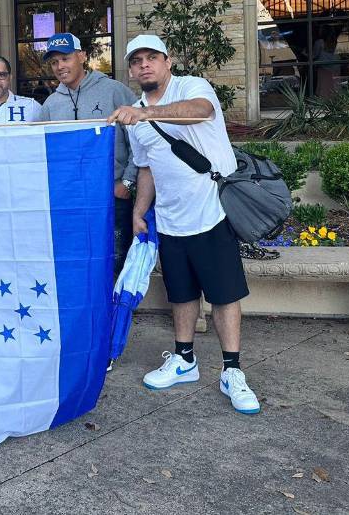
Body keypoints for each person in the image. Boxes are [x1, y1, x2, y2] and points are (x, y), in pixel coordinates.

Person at [107, 34, 258, 414]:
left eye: (151, 57)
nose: (144, 64)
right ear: (131, 69)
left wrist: (145, 114)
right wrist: (140, 211)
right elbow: (146, 167)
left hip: (211, 213)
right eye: (137, 60)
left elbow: (202, 110)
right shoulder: (135, 116)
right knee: (182, 295)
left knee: (224, 295)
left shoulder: (190, 86)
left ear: (167, 61)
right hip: (171, 221)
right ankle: (184, 360)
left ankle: (232, 371)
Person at [41, 33, 138, 274]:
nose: (60, 66)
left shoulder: (115, 91)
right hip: (71, 199)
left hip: (113, 195)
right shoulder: (51, 105)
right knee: (78, 262)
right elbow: (43, 153)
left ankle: (116, 312)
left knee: (115, 263)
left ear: (82, 56)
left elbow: (141, 142)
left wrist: (127, 182)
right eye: (54, 62)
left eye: (65, 58)